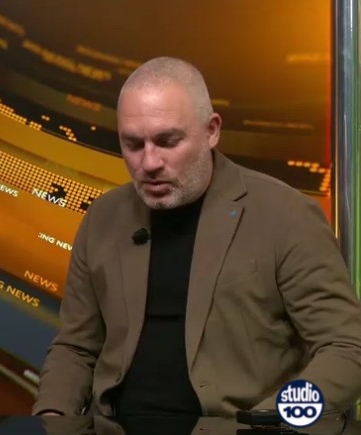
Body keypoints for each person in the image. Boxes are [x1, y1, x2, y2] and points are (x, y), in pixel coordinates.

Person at [33, 57, 361, 418]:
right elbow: (76, 348)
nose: (149, 162)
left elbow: (347, 349)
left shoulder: (286, 216)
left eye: (167, 141)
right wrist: (52, 419)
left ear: (212, 131)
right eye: (133, 144)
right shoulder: (103, 218)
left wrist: (271, 425)